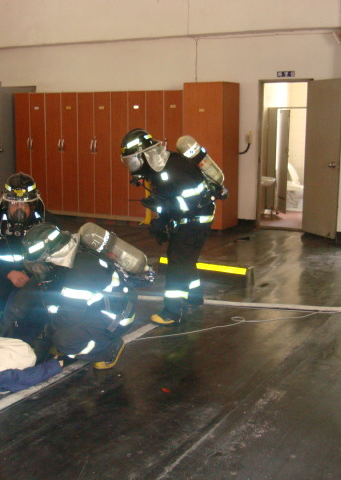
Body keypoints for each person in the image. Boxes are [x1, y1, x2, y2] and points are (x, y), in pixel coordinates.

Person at [18, 222, 151, 369]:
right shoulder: (72, 252)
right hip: (103, 304)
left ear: (49, 254)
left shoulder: (81, 272)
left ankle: (109, 350)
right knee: (57, 323)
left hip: (115, 317)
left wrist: (49, 331)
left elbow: (70, 317)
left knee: (64, 341)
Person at [120, 129, 217, 326]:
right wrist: (162, 220)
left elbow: (192, 202)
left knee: (179, 260)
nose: (132, 167)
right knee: (182, 256)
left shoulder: (172, 169)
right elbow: (173, 199)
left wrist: (162, 207)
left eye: (132, 161)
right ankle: (194, 297)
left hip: (196, 219)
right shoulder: (159, 168)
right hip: (189, 218)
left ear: (143, 156)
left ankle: (172, 312)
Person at [0, 172, 56, 338]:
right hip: (3, 281)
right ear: (6, 203)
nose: (19, 209)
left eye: (25, 204)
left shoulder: (48, 223)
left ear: (33, 205)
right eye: (14, 203)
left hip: (36, 280)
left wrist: (39, 271)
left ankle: (45, 327)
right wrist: (8, 273)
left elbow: (61, 255)